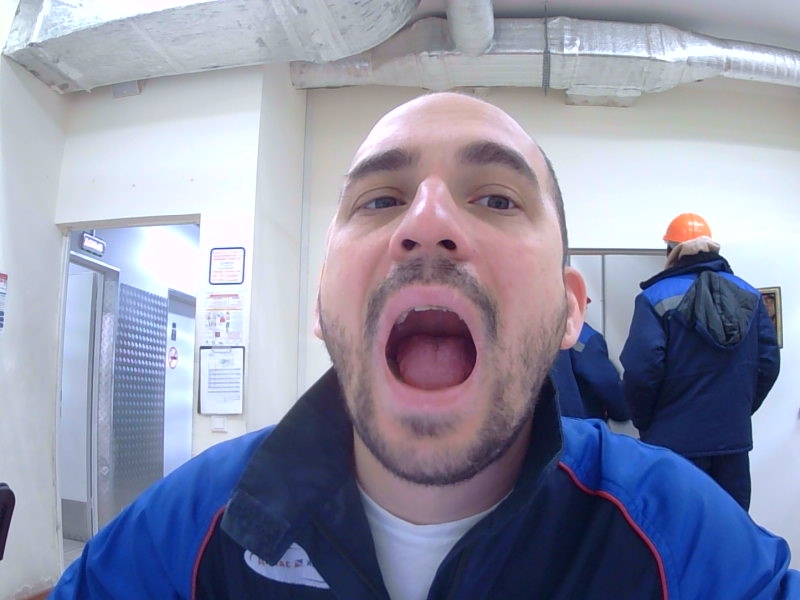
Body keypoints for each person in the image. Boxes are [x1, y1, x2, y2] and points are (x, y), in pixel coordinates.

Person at [49, 95, 798, 599]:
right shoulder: (187, 528)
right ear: (321, 305)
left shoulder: (684, 538)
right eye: (381, 199)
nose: (428, 222)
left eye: (496, 198)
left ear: (570, 311)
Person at [620, 213, 780, 511]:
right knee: (731, 526)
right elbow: (769, 364)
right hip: (732, 443)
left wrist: (648, 423)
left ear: (670, 251)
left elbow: (642, 371)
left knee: (677, 529)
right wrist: (738, 410)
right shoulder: (749, 294)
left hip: (673, 445)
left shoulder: (654, 298)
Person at [551, 298, 630, 421]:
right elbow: (606, 382)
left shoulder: (537, 333)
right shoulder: (583, 336)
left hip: (545, 425)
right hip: (579, 425)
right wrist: (623, 411)